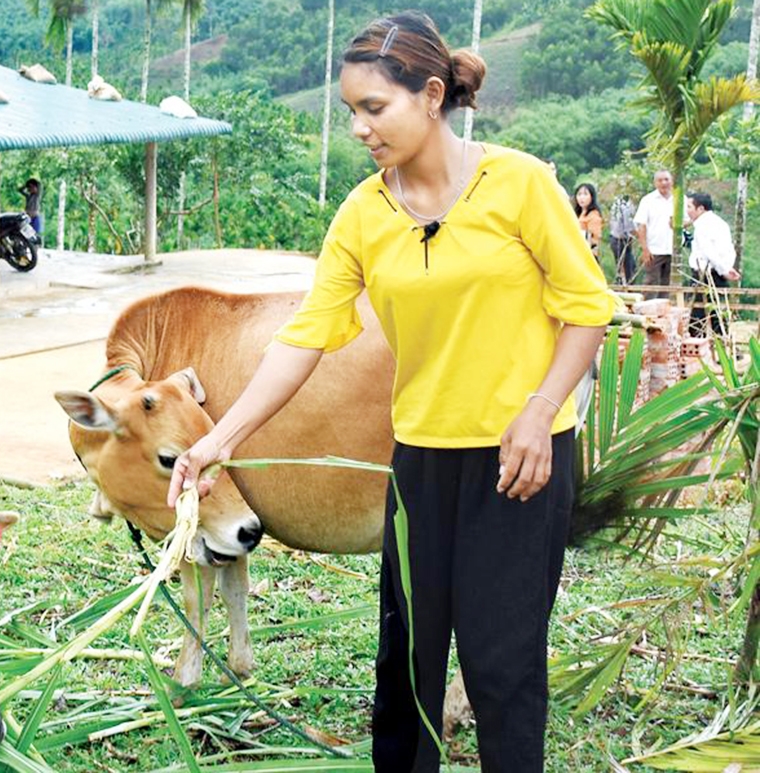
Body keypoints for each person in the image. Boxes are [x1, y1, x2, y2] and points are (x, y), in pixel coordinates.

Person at [166, 12, 613, 773]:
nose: (359, 128)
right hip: (421, 462)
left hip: (521, 460)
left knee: (502, 664)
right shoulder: (364, 213)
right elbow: (304, 338)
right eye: (351, 111)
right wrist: (216, 440)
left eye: (374, 108)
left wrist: (540, 412)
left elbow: (587, 309)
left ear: (432, 95)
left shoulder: (520, 184)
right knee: (406, 663)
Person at [687, 192, 740, 337]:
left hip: (706, 274)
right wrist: (726, 267)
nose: (687, 210)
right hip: (716, 271)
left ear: (700, 208)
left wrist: (724, 270)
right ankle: (721, 341)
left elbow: (709, 252)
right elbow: (729, 250)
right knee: (715, 311)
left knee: (699, 314)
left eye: (690, 207)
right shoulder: (720, 223)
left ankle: (702, 343)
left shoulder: (703, 226)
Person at [633, 170, 675, 298]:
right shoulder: (648, 200)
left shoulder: (680, 199)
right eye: (660, 180)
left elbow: (689, 219)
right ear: (655, 183)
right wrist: (645, 249)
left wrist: (680, 224)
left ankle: (664, 308)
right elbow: (641, 225)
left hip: (673, 249)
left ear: (672, 181)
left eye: (666, 179)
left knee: (667, 285)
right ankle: (646, 308)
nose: (664, 183)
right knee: (650, 283)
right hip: (654, 250)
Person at [609, 192, 637, 284]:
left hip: (615, 238)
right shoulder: (626, 205)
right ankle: (626, 287)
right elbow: (628, 226)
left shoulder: (617, 204)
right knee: (627, 268)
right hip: (621, 240)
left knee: (627, 266)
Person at [573, 182, 604, 259]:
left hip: (587, 255)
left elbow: (594, 238)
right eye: (579, 194)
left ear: (592, 197)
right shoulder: (578, 213)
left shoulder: (594, 215)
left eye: (585, 194)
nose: (581, 198)